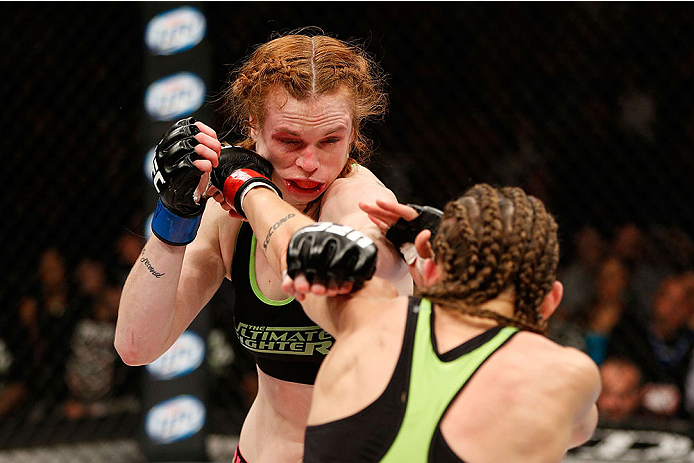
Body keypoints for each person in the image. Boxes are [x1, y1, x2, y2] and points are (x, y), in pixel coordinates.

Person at [115, 30, 411, 463]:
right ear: (253, 127)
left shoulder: (359, 201)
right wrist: (174, 218)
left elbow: (304, 258)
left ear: (353, 133)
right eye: (290, 140)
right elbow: (137, 345)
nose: (309, 164)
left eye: (330, 141)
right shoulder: (227, 216)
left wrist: (253, 192)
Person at [263, 183, 601, 462]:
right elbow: (581, 428)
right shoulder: (568, 376)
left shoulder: (366, 318)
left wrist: (246, 185)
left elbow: (290, 243)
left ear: (432, 270)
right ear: (551, 299)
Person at [597, 356, 645, 425]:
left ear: (638, 395)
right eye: (607, 393)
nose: (613, 404)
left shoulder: (654, 423)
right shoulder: (579, 421)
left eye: (624, 395)